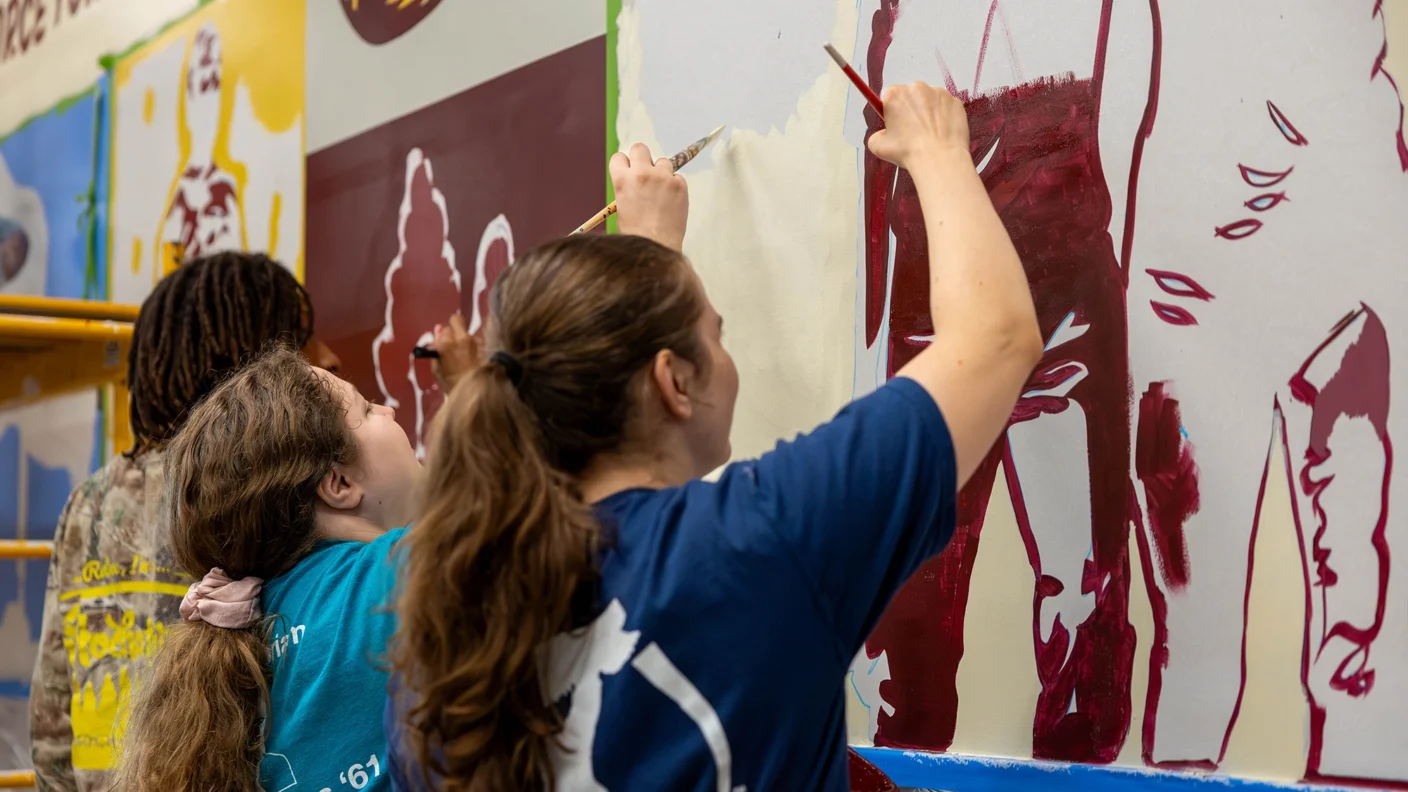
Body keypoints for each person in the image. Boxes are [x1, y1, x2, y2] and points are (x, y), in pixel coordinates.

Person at [386, 82, 1044, 791]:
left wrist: (648, 270)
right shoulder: (765, 538)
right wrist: (939, 150)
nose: (728, 358)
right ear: (672, 381)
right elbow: (995, 340)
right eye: (717, 335)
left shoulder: (440, 646)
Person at [28, 252, 340, 792]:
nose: (328, 359)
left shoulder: (88, 502)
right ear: (249, 367)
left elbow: (52, 726)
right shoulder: (256, 496)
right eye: (301, 343)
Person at [112, 346, 422, 792]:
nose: (389, 410)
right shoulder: (393, 577)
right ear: (339, 483)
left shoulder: (250, 623)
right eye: (368, 409)